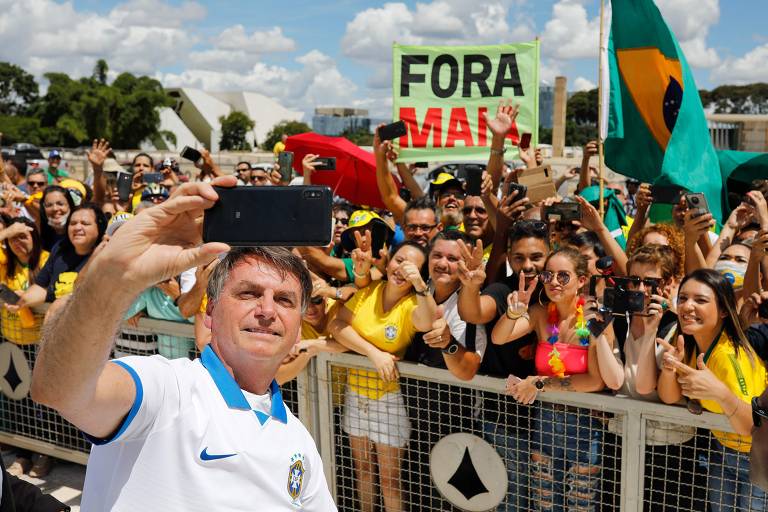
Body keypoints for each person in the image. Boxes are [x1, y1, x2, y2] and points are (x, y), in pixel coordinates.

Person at [30, 176, 336, 510]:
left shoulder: (299, 440)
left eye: (284, 300)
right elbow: (59, 389)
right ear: (210, 311)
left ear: (298, 326)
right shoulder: (167, 388)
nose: (266, 310)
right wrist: (112, 277)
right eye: (248, 293)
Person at [494, 247, 608, 512]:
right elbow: (499, 338)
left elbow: (595, 382)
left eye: (563, 276)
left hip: (584, 426)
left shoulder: (593, 316)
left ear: (582, 280)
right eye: (548, 276)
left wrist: (539, 383)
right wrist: (514, 311)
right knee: (545, 506)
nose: (554, 282)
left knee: (582, 507)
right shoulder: (539, 313)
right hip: (545, 422)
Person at [329, 240, 436, 512]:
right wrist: (373, 353)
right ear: (388, 262)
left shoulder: (413, 303)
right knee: (363, 471)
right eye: (399, 260)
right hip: (356, 394)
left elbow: (427, 322)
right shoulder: (369, 290)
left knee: (390, 481)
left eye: (412, 266)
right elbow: (337, 325)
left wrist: (422, 288)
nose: (402, 269)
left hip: (389, 400)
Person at [658, 269, 767, 511]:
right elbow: (669, 397)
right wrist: (669, 369)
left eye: (700, 300)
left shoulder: (728, 356)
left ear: (724, 310)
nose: (687, 306)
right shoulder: (691, 343)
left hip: (757, 457)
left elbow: (752, 427)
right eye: (683, 298)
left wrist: (720, 394)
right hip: (723, 450)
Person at [14, 204, 106, 308]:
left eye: (85, 223)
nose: (77, 227)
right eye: (73, 223)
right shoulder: (60, 249)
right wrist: (22, 301)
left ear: (99, 228)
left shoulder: (107, 255)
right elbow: (41, 287)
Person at [38, 186, 74, 252]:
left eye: (60, 204)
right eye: (49, 205)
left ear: (70, 205)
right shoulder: (40, 236)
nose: (55, 209)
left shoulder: (78, 234)